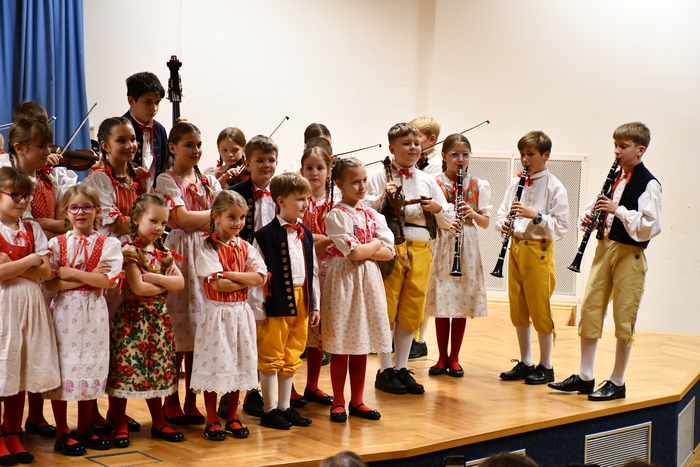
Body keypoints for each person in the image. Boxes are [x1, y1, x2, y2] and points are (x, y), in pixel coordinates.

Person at [549, 122, 661, 401]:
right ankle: (585, 376)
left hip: (629, 254)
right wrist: (588, 217)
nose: (617, 151)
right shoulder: (614, 179)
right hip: (604, 249)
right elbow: (594, 208)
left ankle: (617, 381)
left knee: (624, 317)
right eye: (615, 146)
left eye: (623, 147)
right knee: (590, 309)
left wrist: (618, 210)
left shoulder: (649, 183)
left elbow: (651, 226)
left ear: (640, 150)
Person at [365, 122, 453, 395]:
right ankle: (384, 369)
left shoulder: (427, 180)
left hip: (421, 248)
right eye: (406, 143)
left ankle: (401, 367)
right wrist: (382, 198)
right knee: (388, 307)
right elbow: (364, 210)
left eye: (416, 143)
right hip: (391, 248)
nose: (413, 148)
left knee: (411, 309)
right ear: (392, 148)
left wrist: (437, 208)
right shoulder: (378, 176)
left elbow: (448, 220)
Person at [44, 185, 122, 456]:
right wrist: (90, 276)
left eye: (87, 207)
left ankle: (86, 426)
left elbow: (108, 281)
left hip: (93, 314)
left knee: (90, 366)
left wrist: (70, 272)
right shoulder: (56, 244)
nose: (80, 212)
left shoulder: (109, 244)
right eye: (74, 207)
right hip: (65, 313)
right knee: (64, 370)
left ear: (97, 211)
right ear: (65, 212)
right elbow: (51, 283)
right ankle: (62, 431)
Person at [106, 194, 185, 448]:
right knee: (124, 369)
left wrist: (154, 279)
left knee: (157, 370)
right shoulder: (129, 251)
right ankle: (119, 421)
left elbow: (179, 283)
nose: (159, 228)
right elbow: (138, 288)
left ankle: (158, 420)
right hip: (132, 319)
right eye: (153, 221)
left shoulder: (163, 252)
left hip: (158, 320)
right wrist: (164, 283)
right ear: (137, 219)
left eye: (163, 223)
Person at [155, 122, 221, 426]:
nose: (196, 150)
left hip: (206, 254)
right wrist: (214, 216)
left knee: (200, 332)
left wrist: (208, 219)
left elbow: (225, 216)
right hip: (180, 253)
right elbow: (180, 218)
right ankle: (170, 398)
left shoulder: (209, 180)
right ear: (173, 148)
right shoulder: (166, 180)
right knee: (178, 330)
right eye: (189, 145)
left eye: (199, 144)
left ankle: (193, 399)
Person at [192, 190, 267, 441]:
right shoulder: (207, 246)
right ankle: (212, 418)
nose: (238, 223)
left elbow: (260, 277)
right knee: (216, 363)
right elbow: (218, 285)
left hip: (240, 314)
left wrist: (230, 275)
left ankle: (233, 415)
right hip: (217, 314)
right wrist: (244, 279)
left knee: (237, 362)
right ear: (216, 216)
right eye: (231, 217)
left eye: (242, 217)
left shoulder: (245, 246)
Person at [322, 157, 393, 422]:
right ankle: (338, 401)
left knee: (361, 342)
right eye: (355, 182)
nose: (362, 187)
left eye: (364, 180)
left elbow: (390, 252)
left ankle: (358, 400)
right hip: (344, 280)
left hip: (368, 280)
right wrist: (375, 243)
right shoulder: (336, 215)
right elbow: (353, 254)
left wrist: (369, 248)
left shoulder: (373, 214)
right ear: (340, 184)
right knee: (342, 343)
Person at [495, 131, 569, 385]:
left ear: (546, 155)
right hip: (516, 247)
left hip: (538, 250)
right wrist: (504, 225)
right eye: (522, 155)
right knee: (518, 307)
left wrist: (535, 216)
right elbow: (502, 213)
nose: (525, 160)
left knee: (539, 307)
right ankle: (526, 362)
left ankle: (546, 365)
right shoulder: (515, 183)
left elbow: (562, 226)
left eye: (530, 154)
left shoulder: (554, 186)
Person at [248, 173, 320, 430]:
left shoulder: (306, 233)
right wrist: (258, 309)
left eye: (306, 199)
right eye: (299, 199)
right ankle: (269, 409)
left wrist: (314, 304)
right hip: (275, 303)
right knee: (271, 355)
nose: (305, 204)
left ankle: (284, 407)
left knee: (292, 354)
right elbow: (257, 275)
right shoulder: (264, 236)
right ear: (281, 201)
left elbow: (312, 270)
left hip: (301, 301)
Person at [0, 167, 60, 465]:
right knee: (3, 369)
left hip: (30, 305)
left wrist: (14, 264)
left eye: (27, 196)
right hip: (3, 306)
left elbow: (46, 271)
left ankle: (13, 432)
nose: (23, 201)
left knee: (21, 370)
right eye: (15, 195)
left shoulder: (32, 228)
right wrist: (31, 259)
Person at [426, 134, 491, 377]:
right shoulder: (434, 183)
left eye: (465, 154)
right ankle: (441, 357)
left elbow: (485, 222)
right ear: (444, 156)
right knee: (442, 299)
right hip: (442, 241)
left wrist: (472, 213)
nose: (460, 159)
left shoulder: (478, 184)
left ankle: (454, 358)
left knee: (461, 299)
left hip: (467, 244)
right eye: (454, 154)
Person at [226, 135, 279, 418]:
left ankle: (254, 391)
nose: (266, 165)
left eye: (271, 160)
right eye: (260, 160)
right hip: (242, 271)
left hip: (272, 272)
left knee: (263, 334)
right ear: (247, 162)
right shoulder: (236, 192)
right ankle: (230, 393)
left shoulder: (281, 192)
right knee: (239, 334)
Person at [295, 146, 335, 408]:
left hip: (330, 271)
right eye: (309, 168)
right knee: (302, 327)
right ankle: (291, 387)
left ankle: (312, 385)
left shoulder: (334, 203)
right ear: (301, 170)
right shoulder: (299, 202)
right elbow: (302, 240)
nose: (314, 173)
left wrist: (319, 240)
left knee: (320, 332)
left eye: (320, 168)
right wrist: (325, 239)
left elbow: (339, 240)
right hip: (304, 269)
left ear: (328, 171)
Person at [409, 115, 442, 358]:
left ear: (431, 139)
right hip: (407, 234)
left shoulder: (436, 166)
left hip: (428, 232)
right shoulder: (415, 163)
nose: (412, 143)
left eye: (416, 137)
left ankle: (418, 339)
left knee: (422, 287)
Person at [123, 72, 168, 188]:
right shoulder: (119, 129)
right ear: (131, 101)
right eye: (148, 102)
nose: (154, 108)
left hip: (154, 194)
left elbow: (165, 166)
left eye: (157, 102)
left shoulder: (160, 130)